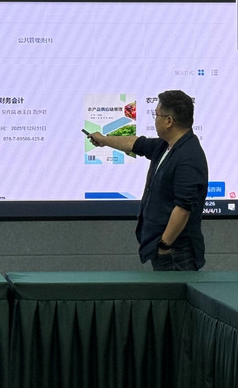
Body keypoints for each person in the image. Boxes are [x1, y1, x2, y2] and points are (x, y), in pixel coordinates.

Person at [88, 90, 208, 271]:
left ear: (169, 121)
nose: (155, 119)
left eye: (156, 115)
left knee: (174, 290)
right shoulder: (166, 146)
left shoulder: (188, 156)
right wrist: (103, 140)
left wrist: (164, 245)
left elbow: (183, 208)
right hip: (167, 249)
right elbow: (135, 143)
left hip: (176, 252)